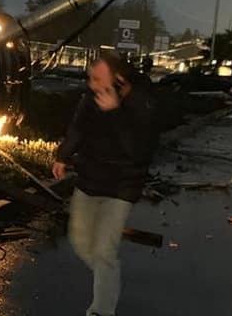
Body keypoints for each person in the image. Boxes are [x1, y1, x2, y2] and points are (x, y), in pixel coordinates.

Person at [52, 52, 158, 316]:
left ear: (119, 80)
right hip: (89, 180)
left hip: (121, 187)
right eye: (90, 78)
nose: (92, 84)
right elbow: (77, 129)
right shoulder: (90, 99)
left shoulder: (141, 102)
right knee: (81, 242)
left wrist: (115, 113)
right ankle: (107, 272)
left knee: (103, 250)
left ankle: (102, 310)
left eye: (98, 78)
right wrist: (63, 156)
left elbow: (138, 151)